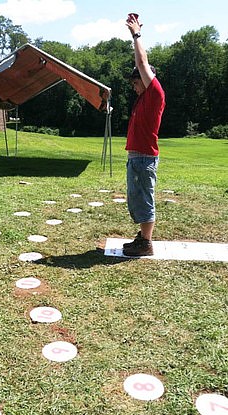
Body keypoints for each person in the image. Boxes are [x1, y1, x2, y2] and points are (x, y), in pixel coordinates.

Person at [123, 13, 165, 257]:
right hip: (137, 158)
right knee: (137, 199)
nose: (134, 86)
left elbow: (141, 62)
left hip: (144, 158)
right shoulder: (142, 99)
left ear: (145, 78)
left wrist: (136, 34)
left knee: (144, 198)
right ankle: (143, 236)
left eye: (135, 82)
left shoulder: (154, 92)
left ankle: (146, 243)